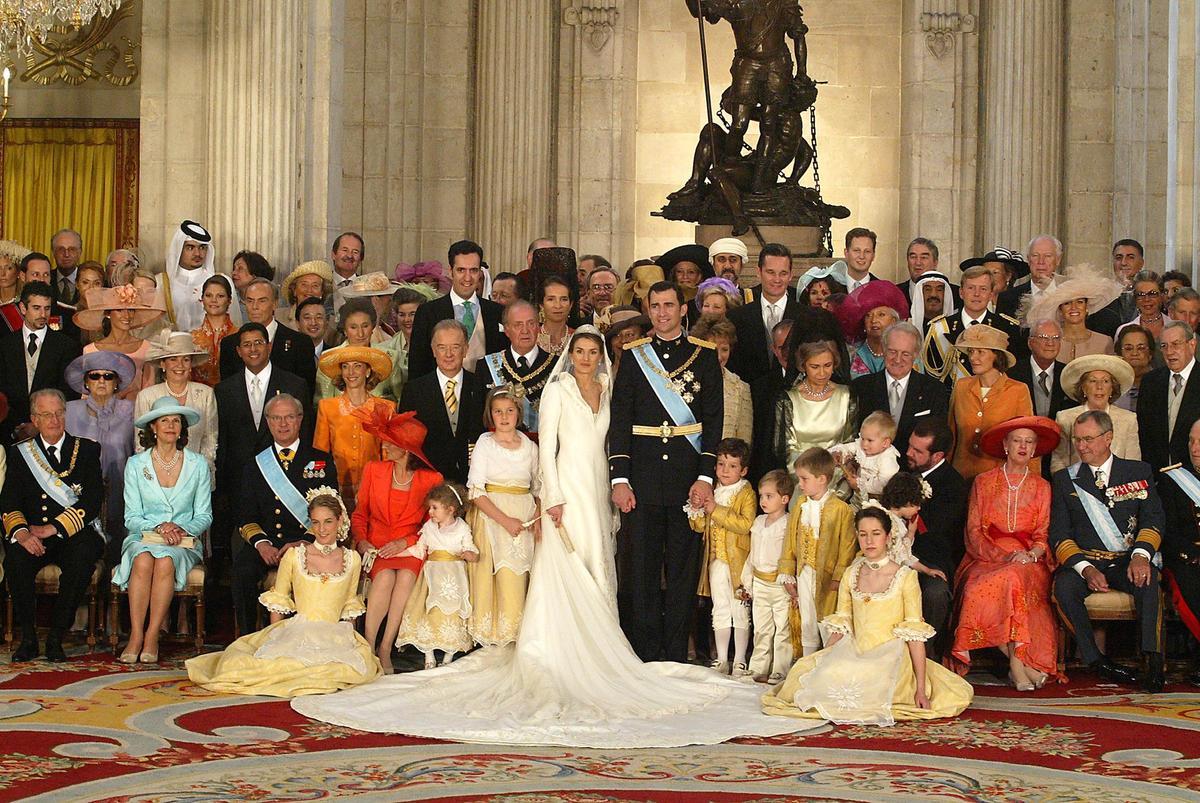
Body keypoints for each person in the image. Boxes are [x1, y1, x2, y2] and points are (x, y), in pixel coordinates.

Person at [291, 325, 805, 748]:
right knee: (574, 560)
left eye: (591, 352)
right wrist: (551, 497)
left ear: (601, 356)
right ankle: (569, 647)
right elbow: (550, 447)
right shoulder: (557, 391)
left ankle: (605, 640)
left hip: (600, 486)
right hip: (566, 492)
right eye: (578, 351)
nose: (584, 358)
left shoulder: (607, 388)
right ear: (569, 355)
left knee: (603, 562)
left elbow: (617, 440)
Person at [761, 505, 974, 725]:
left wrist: (920, 688)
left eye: (876, 534)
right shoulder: (851, 573)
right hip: (854, 649)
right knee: (806, 676)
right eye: (863, 535)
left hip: (891, 655)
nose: (869, 541)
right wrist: (822, 662)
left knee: (874, 684)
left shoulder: (905, 577)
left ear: (888, 536)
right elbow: (842, 625)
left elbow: (914, 636)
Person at [611, 282, 724, 663]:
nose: (662, 313)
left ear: (683, 308)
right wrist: (619, 478)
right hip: (641, 477)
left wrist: (706, 477)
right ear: (648, 309)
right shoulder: (633, 355)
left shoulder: (703, 355)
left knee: (681, 569)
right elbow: (621, 419)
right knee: (640, 568)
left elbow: (713, 420)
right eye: (655, 306)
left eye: (669, 305)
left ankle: (676, 653)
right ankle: (644, 651)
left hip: (685, 478)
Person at [187, 491, 381, 696]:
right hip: (298, 631)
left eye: (328, 522)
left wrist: (349, 643)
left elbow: (349, 609)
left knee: (344, 669)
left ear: (340, 520)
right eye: (315, 523)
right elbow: (279, 601)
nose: (322, 529)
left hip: (335, 635)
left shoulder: (352, 559)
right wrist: (275, 640)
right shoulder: (295, 556)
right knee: (274, 667)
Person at [1050, 410, 1166, 692]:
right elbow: (1060, 534)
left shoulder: (1138, 471)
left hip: (1127, 559)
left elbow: (1153, 519)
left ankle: (1152, 659)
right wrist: (1085, 568)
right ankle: (1096, 660)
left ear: (1108, 438)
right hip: (1087, 560)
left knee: (1147, 579)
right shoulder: (1066, 479)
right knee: (1064, 587)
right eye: (1077, 440)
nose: (1081, 446)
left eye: (1088, 439)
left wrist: (1140, 556)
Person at [950, 416, 1062, 689]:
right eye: (1017, 441)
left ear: (1035, 449)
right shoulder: (983, 482)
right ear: (1005, 445)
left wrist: (1031, 555)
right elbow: (974, 530)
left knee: (1013, 578)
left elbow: (1042, 535)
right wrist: (1002, 557)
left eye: (1029, 442)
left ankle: (1016, 665)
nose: (1023, 447)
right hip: (985, 557)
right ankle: (1020, 664)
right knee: (977, 588)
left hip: (1029, 560)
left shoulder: (1043, 486)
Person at [2, 390, 105, 662]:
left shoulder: (87, 449)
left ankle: (57, 636)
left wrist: (55, 528)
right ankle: (29, 638)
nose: (54, 420)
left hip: (72, 534)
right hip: (32, 533)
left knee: (82, 558)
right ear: (35, 418)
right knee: (15, 559)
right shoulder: (20, 454)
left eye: (59, 413)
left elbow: (94, 499)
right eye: (46, 414)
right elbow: (9, 502)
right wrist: (22, 533)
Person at [113, 398, 211, 664]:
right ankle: (135, 634)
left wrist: (179, 528)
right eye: (164, 420)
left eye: (176, 420)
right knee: (143, 559)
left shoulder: (198, 464)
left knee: (166, 560)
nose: (170, 425)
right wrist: (158, 527)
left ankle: (152, 636)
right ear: (153, 427)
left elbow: (204, 515)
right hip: (143, 536)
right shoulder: (136, 465)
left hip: (183, 541)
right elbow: (131, 516)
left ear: (182, 429)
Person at [229, 393, 335, 636]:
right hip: (267, 543)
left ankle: (311, 637)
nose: (283, 424)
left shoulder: (320, 460)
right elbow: (245, 514)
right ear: (268, 421)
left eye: (289, 417)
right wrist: (262, 544)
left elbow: (331, 510)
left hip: (306, 542)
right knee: (242, 571)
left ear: (299, 419)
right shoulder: (255, 464)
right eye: (276, 418)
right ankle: (247, 638)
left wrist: (304, 542)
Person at [350, 407, 444, 672]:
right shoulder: (374, 470)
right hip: (377, 547)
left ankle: (386, 648)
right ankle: (368, 646)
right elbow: (359, 515)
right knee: (385, 578)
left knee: (404, 577)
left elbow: (432, 525)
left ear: (406, 450)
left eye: (390, 443)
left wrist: (405, 543)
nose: (384, 447)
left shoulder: (431, 479)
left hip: (410, 547)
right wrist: (362, 541)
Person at [466, 387, 541, 646]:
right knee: (504, 574)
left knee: (524, 574)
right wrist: (505, 520)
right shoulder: (485, 444)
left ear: (518, 413)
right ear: (491, 415)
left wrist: (538, 516)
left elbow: (538, 486)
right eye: (498, 411)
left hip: (525, 513)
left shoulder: (530, 447)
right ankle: (503, 634)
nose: (505, 417)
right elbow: (476, 491)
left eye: (510, 411)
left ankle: (525, 635)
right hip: (493, 513)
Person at [779, 447, 856, 658]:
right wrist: (787, 571)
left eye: (804, 479)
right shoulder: (800, 506)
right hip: (804, 572)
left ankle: (828, 667)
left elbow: (847, 547)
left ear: (822, 479)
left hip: (828, 577)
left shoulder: (841, 509)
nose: (800, 484)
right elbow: (790, 539)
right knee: (807, 620)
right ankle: (806, 664)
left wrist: (839, 577)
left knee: (827, 621)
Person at [688, 437, 756, 677]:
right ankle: (721, 658)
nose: (725, 470)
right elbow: (699, 527)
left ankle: (739, 660)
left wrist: (716, 509)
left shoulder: (745, 492)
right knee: (720, 607)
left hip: (738, 561)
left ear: (743, 470)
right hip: (716, 560)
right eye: (721, 464)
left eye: (732, 466)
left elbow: (745, 524)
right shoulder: (713, 489)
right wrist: (696, 510)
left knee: (739, 607)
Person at [394, 481, 478, 668]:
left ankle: (448, 656)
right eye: (430, 508)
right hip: (432, 575)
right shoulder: (429, 527)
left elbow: (470, 548)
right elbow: (419, 549)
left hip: (453, 577)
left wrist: (470, 554)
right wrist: (396, 553)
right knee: (428, 612)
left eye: (435, 508)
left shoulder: (462, 528)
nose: (430, 512)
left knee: (452, 613)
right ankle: (429, 655)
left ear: (450, 509)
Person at [904, 416, 967, 658]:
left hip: (932, 561)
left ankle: (928, 658)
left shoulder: (953, 484)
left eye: (917, 451)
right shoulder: (903, 468)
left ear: (937, 456)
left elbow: (936, 532)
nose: (908, 452)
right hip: (894, 556)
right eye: (910, 445)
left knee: (935, 593)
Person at [64, 351, 137, 558]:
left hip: (121, 487)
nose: (101, 381)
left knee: (119, 545)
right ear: (86, 381)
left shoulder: (131, 410)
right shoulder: (69, 411)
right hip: (77, 491)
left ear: (117, 381)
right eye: (95, 376)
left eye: (108, 376)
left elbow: (140, 451)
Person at [398, 320, 486, 484]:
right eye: (442, 347)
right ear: (433, 350)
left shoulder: (480, 387)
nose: (448, 354)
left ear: (466, 349)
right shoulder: (414, 390)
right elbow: (406, 442)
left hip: (472, 479)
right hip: (427, 480)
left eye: (455, 347)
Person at [947, 324, 1033, 481]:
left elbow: (1027, 440)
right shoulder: (961, 386)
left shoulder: (1018, 390)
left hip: (998, 480)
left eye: (980, 352)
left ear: (997, 356)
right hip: (959, 477)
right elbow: (951, 435)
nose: (973, 357)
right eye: (971, 351)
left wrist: (1029, 482)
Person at [409, 240, 508, 377]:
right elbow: (417, 367)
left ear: (480, 273)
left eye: (473, 270)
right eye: (461, 270)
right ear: (451, 272)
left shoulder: (497, 312)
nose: (467, 278)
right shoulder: (428, 312)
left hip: (486, 395)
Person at [851, 321, 949, 457]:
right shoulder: (860, 387)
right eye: (892, 351)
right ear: (884, 350)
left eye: (905, 354)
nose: (897, 359)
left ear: (915, 355)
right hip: (869, 469)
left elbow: (937, 438)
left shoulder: (934, 390)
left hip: (914, 471)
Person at [314, 347, 397, 508]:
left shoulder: (386, 408)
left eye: (357, 366)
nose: (351, 372)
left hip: (374, 491)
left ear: (368, 371)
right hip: (335, 491)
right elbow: (320, 454)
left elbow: (389, 457)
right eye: (345, 366)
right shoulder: (327, 407)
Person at [0, 281, 82, 440]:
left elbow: (69, 393)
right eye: (36, 308)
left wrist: (38, 425)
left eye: (47, 308)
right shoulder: (4, 345)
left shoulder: (67, 346)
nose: (43, 314)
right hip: (8, 432)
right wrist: (15, 427)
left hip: (50, 433)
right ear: (23, 308)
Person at [135, 331, 219, 482]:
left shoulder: (206, 394)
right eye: (173, 359)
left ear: (191, 364)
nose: (179, 365)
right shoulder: (146, 396)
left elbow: (210, 439)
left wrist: (199, 471)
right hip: (157, 480)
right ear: (162, 364)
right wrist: (157, 475)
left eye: (185, 360)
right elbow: (141, 443)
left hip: (197, 478)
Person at [736, 469, 795, 684]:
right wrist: (747, 580)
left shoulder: (788, 524)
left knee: (782, 629)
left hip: (778, 585)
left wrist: (790, 580)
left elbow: (790, 555)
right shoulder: (759, 522)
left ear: (785, 498)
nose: (763, 500)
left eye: (769, 496)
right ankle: (758, 667)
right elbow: (753, 553)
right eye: (761, 496)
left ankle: (780, 669)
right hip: (760, 582)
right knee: (761, 628)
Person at [921, 265, 1020, 385]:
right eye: (971, 288)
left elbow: (1013, 376)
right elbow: (932, 379)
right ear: (961, 292)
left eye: (983, 289)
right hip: (953, 401)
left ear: (991, 294)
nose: (976, 294)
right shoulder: (939, 328)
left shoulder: (1006, 328)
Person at [219, 278, 317, 397]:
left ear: (275, 303)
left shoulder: (300, 343)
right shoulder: (230, 344)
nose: (255, 307)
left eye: (262, 301)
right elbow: (227, 393)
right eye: (250, 301)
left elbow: (306, 393)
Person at [1157, 418, 1200, 686]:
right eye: (1192, 441)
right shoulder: (1173, 479)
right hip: (1186, 558)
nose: (1195, 448)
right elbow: (1167, 529)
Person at [772, 338, 854, 471]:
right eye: (815, 367)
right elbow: (783, 448)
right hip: (800, 478)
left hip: (838, 477)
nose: (822, 373)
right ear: (803, 366)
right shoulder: (788, 399)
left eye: (827, 365)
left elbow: (851, 442)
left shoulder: (846, 395)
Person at [1050, 355, 1140, 472]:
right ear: (1083, 388)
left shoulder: (1128, 419)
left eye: (1106, 381)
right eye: (1093, 381)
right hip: (1078, 487)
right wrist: (1070, 488)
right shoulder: (1065, 418)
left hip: (1117, 486)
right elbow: (1058, 463)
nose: (1099, 387)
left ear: (1112, 388)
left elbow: (1133, 464)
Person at [75, 284, 165, 401]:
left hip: (136, 414)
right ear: (108, 314)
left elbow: (149, 391)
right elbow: (87, 395)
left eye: (131, 310)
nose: (126, 315)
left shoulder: (146, 348)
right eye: (119, 310)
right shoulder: (91, 350)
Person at [479, 300, 555, 433]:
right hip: (498, 449)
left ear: (538, 327)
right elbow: (479, 418)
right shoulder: (486, 366)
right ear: (507, 330)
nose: (525, 330)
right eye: (518, 325)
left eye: (531, 324)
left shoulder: (556, 365)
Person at [727, 243, 799, 386]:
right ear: (758, 272)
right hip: (749, 398)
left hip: (795, 398)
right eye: (770, 272)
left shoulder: (807, 317)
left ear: (791, 275)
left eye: (783, 273)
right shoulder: (735, 318)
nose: (777, 279)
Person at [1023, 265, 1122, 363]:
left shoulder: (1104, 342)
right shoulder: (1051, 342)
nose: (1074, 307)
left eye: (1080, 302)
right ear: (1060, 310)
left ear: (1087, 307)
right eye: (1067, 303)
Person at [1138, 320, 1200, 472]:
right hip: (1159, 479)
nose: (1169, 351)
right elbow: (1144, 434)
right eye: (1164, 346)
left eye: (1176, 344)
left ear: (1192, 345)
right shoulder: (1150, 382)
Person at [316, 298, 405, 402]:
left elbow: (400, 401)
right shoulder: (329, 359)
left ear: (372, 327)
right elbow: (322, 404)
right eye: (353, 327)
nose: (360, 334)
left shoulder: (390, 358)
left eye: (365, 326)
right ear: (344, 330)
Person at [690, 316, 752, 443]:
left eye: (724, 349)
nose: (718, 356)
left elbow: (744, 443)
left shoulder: (740, 388)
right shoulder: (686, 381)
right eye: (712, 348)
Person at [832, 410, 901, 502]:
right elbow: (848, 447)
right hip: (857, 496)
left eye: (870, 440)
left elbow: (883, 484)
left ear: (885, 442)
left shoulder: (887, 458)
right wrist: (839, 452)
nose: (864, 444)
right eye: (863, 438)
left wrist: (860, 485)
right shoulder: (863, 447)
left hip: (876, 501)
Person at [844, 281, 908, 379]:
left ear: (894, 321)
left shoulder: (906, 353)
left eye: (881, 315)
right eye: (868, 316)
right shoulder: (851, 353)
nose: (873, 320)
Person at [1010, 318, 1071, 422]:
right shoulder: (1012, 374)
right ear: (1030, 342)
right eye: (1044, 337)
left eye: (1055, 338)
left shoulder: (1068, 375)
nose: (1050, 343)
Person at [159, 220, 215, 332]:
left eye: (202, 248)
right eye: (190, 248)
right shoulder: (161, 283)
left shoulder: (218, 282)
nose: (197, 254)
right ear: (179, 249)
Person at [188, 274, 235, 387]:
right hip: (198, 399)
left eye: (220, 296)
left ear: (229, 300)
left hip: (232, 397)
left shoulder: (239, 335)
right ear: (202, 299)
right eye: (209, 295)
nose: (214, 300)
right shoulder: (191, 338)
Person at [1114, 270, 1170, 344]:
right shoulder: (1123, 331)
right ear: (1135, 298)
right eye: (1140, 294)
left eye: (1152, 294)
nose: (1146, 299)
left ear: (1162, 296)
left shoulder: (1175, 326)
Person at [278, 260, 334, 332]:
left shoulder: (331, 323)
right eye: (304, 285)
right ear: (294, 290)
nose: (309, 290)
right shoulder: (278, 317)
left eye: (315, 286)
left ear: (322, 292)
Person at [1113, 324, 1157, 411]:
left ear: (1150, 354)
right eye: (1128, 348)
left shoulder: (1163, 383)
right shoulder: (1112, 386)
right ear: (1119, 353)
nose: (1135, 353)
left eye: (1141, 348)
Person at [535, 274, 575, 356]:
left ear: (571, 304)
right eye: (551, 299)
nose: (558, 305)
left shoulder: (578, 337)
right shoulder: (531, 337)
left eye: (564, 299)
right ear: (541, 304)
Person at [842, 227, 882, 292]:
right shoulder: (830, 287)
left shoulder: (882, 290)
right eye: (857, 250)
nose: (862, 256)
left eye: (867, 251)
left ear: (873, 255)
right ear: (846, 253)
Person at [50, 228, 83, 306]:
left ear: (80, 252)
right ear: (53, 252)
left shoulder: (89, 281)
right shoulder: (46, 279)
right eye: (61, 249)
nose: (66, 254)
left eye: (72, 249)